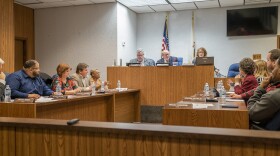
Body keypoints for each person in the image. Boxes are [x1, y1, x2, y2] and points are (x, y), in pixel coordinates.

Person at [248, 58, 280, 125]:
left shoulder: (273, 96)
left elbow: (251, 113)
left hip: (262, 133)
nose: (272, 72)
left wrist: (261, 87)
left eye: (274, 68)